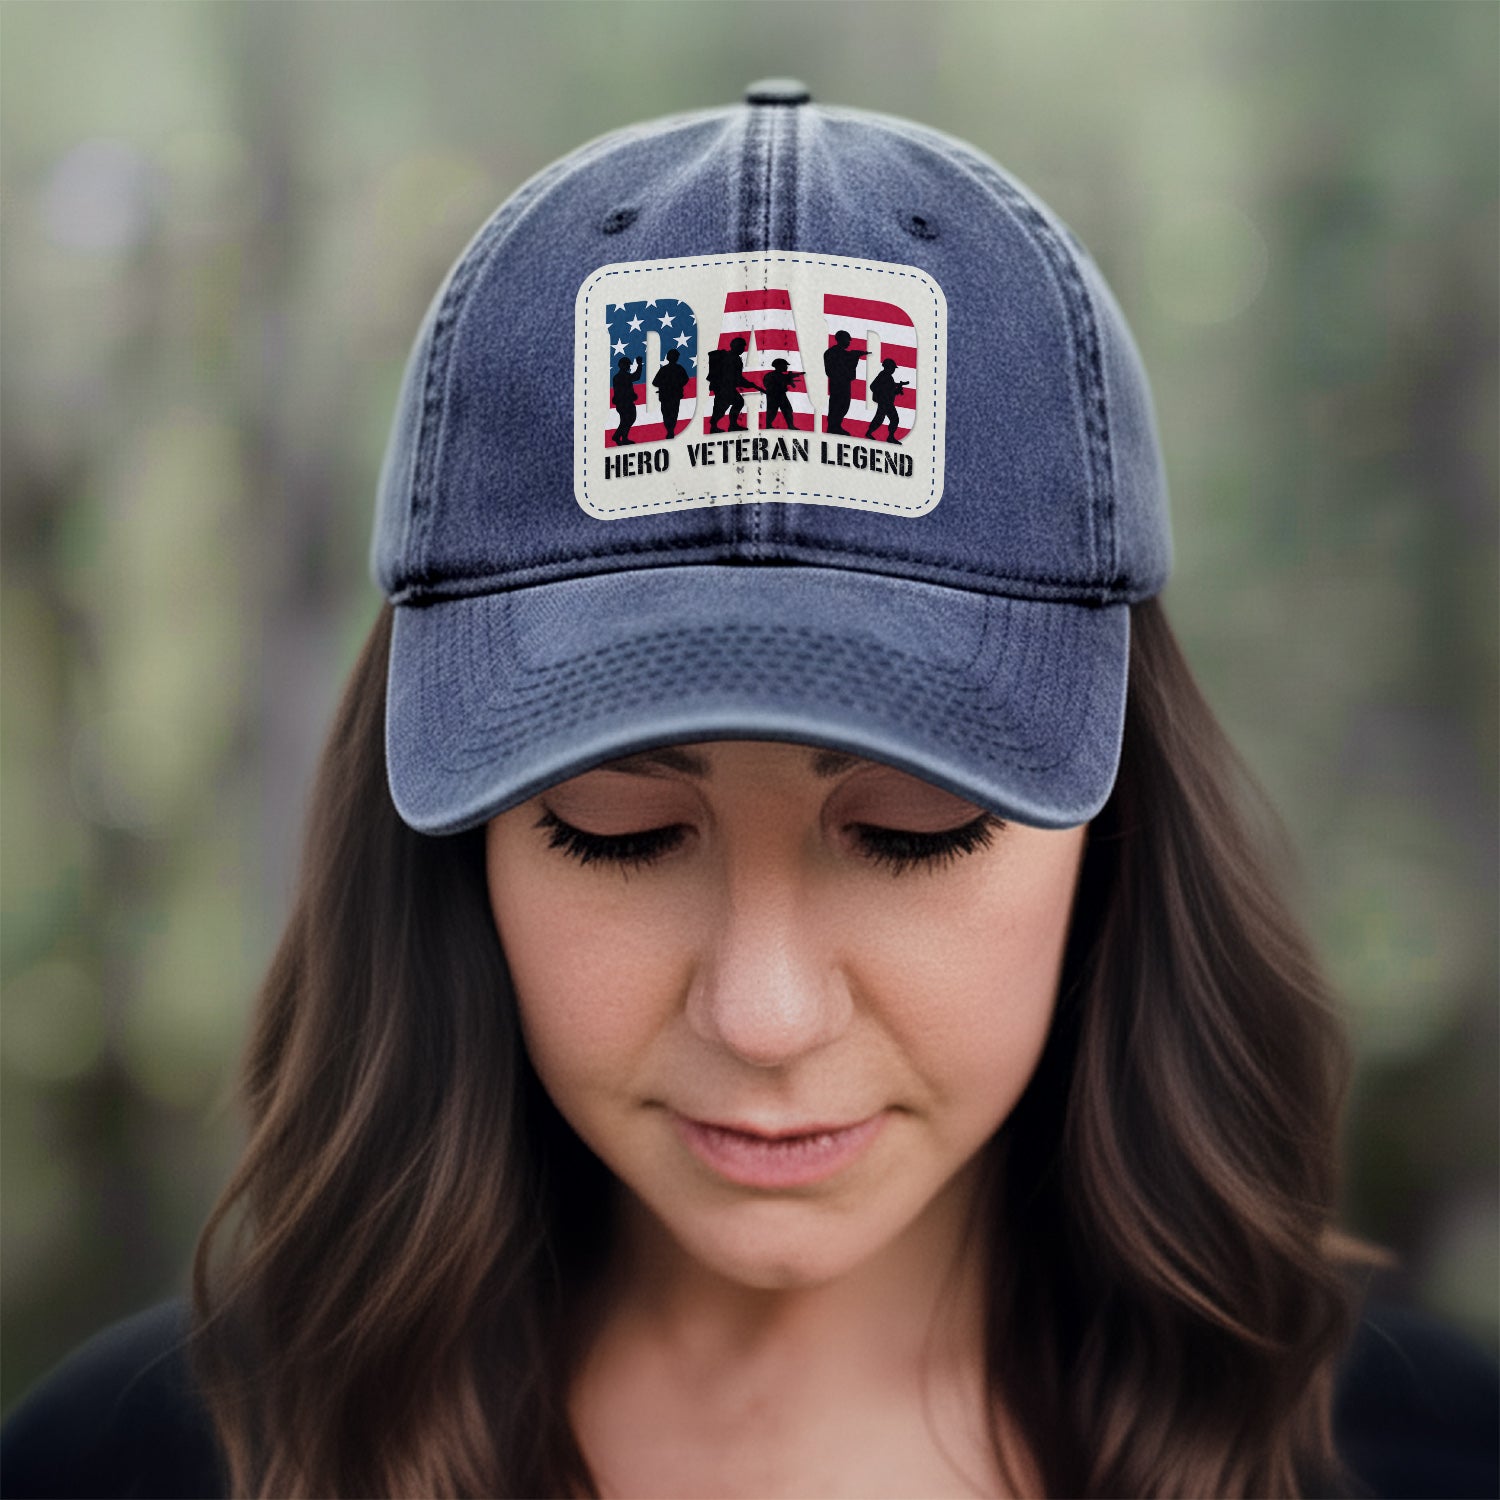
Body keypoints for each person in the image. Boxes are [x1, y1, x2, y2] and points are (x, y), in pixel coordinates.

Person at [4, 80, 1498, 1500]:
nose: (765, 1015)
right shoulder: (124, 1466)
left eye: (913, 830)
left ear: (1116, 824)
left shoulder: (1433, 1457)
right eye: (620, 831)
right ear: (456, 848)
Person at [705, 335, 761, 432]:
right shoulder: (733, 359)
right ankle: (728, 426)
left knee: (723, 406)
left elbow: (737, 378)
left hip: (723, 387)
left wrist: (749, 384)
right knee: (730, 404)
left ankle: (719, 426)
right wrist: (749, 384)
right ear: (736, 346)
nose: (743, 349)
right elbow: (737, 378)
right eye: (741, 346)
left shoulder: (732, 357)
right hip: (724, 387)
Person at [823, 328, 865, 435]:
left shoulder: (838, 353)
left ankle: (836, 426)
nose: (849, 343)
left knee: (844, 405)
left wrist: (855, 356)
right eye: (847, 340)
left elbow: (848, 361)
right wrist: (855, 356)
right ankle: (833, 427)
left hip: (844, 383)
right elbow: (835, 368)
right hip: (838, 384)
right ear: (841, 339)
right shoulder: (832, 353)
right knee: (837, 405)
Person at [865, 356, 907, 444]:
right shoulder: (883, 375)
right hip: (885, 402)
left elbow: (890, 390)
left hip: (887, 402)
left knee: (880, 419)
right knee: (892, 419)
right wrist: (882, 395)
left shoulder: (887, 376)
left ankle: (870, 433)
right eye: (892, 368)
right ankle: (889, 437)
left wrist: (897, 390)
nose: (893, 370)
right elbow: (873, 386)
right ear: (888, 367)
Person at [651, 347, 689, 438]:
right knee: (672, 414)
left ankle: (670, 431)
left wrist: (669, 385)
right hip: (670, 395)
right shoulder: (677, 368)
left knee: (668, 414)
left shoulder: (665, 369)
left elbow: (655, 382)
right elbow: (655, 382)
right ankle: (670, 431)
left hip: (669, 395)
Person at [761, 356, 801, 431]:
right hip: (774, 396)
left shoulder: (777, 375)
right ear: (779, 366)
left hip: (781, 395)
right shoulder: (772, 375)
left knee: (787, 410)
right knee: (772, 412)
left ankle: (790, 425)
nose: (786, 367)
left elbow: (784, 380)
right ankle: (768, 425)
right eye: (785, 365)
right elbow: (773, 384)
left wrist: (790, 378)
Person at [611, 355, 642, 444]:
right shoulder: (622, 376)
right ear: (622, 365)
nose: (629, 366)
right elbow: (636, 376)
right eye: (627, 364)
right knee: (627, 420)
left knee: (626, 421)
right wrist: (639, 365)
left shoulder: (619, 376)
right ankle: (618, 437)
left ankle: (622, 438)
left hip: (623, 403)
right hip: (625, 403)